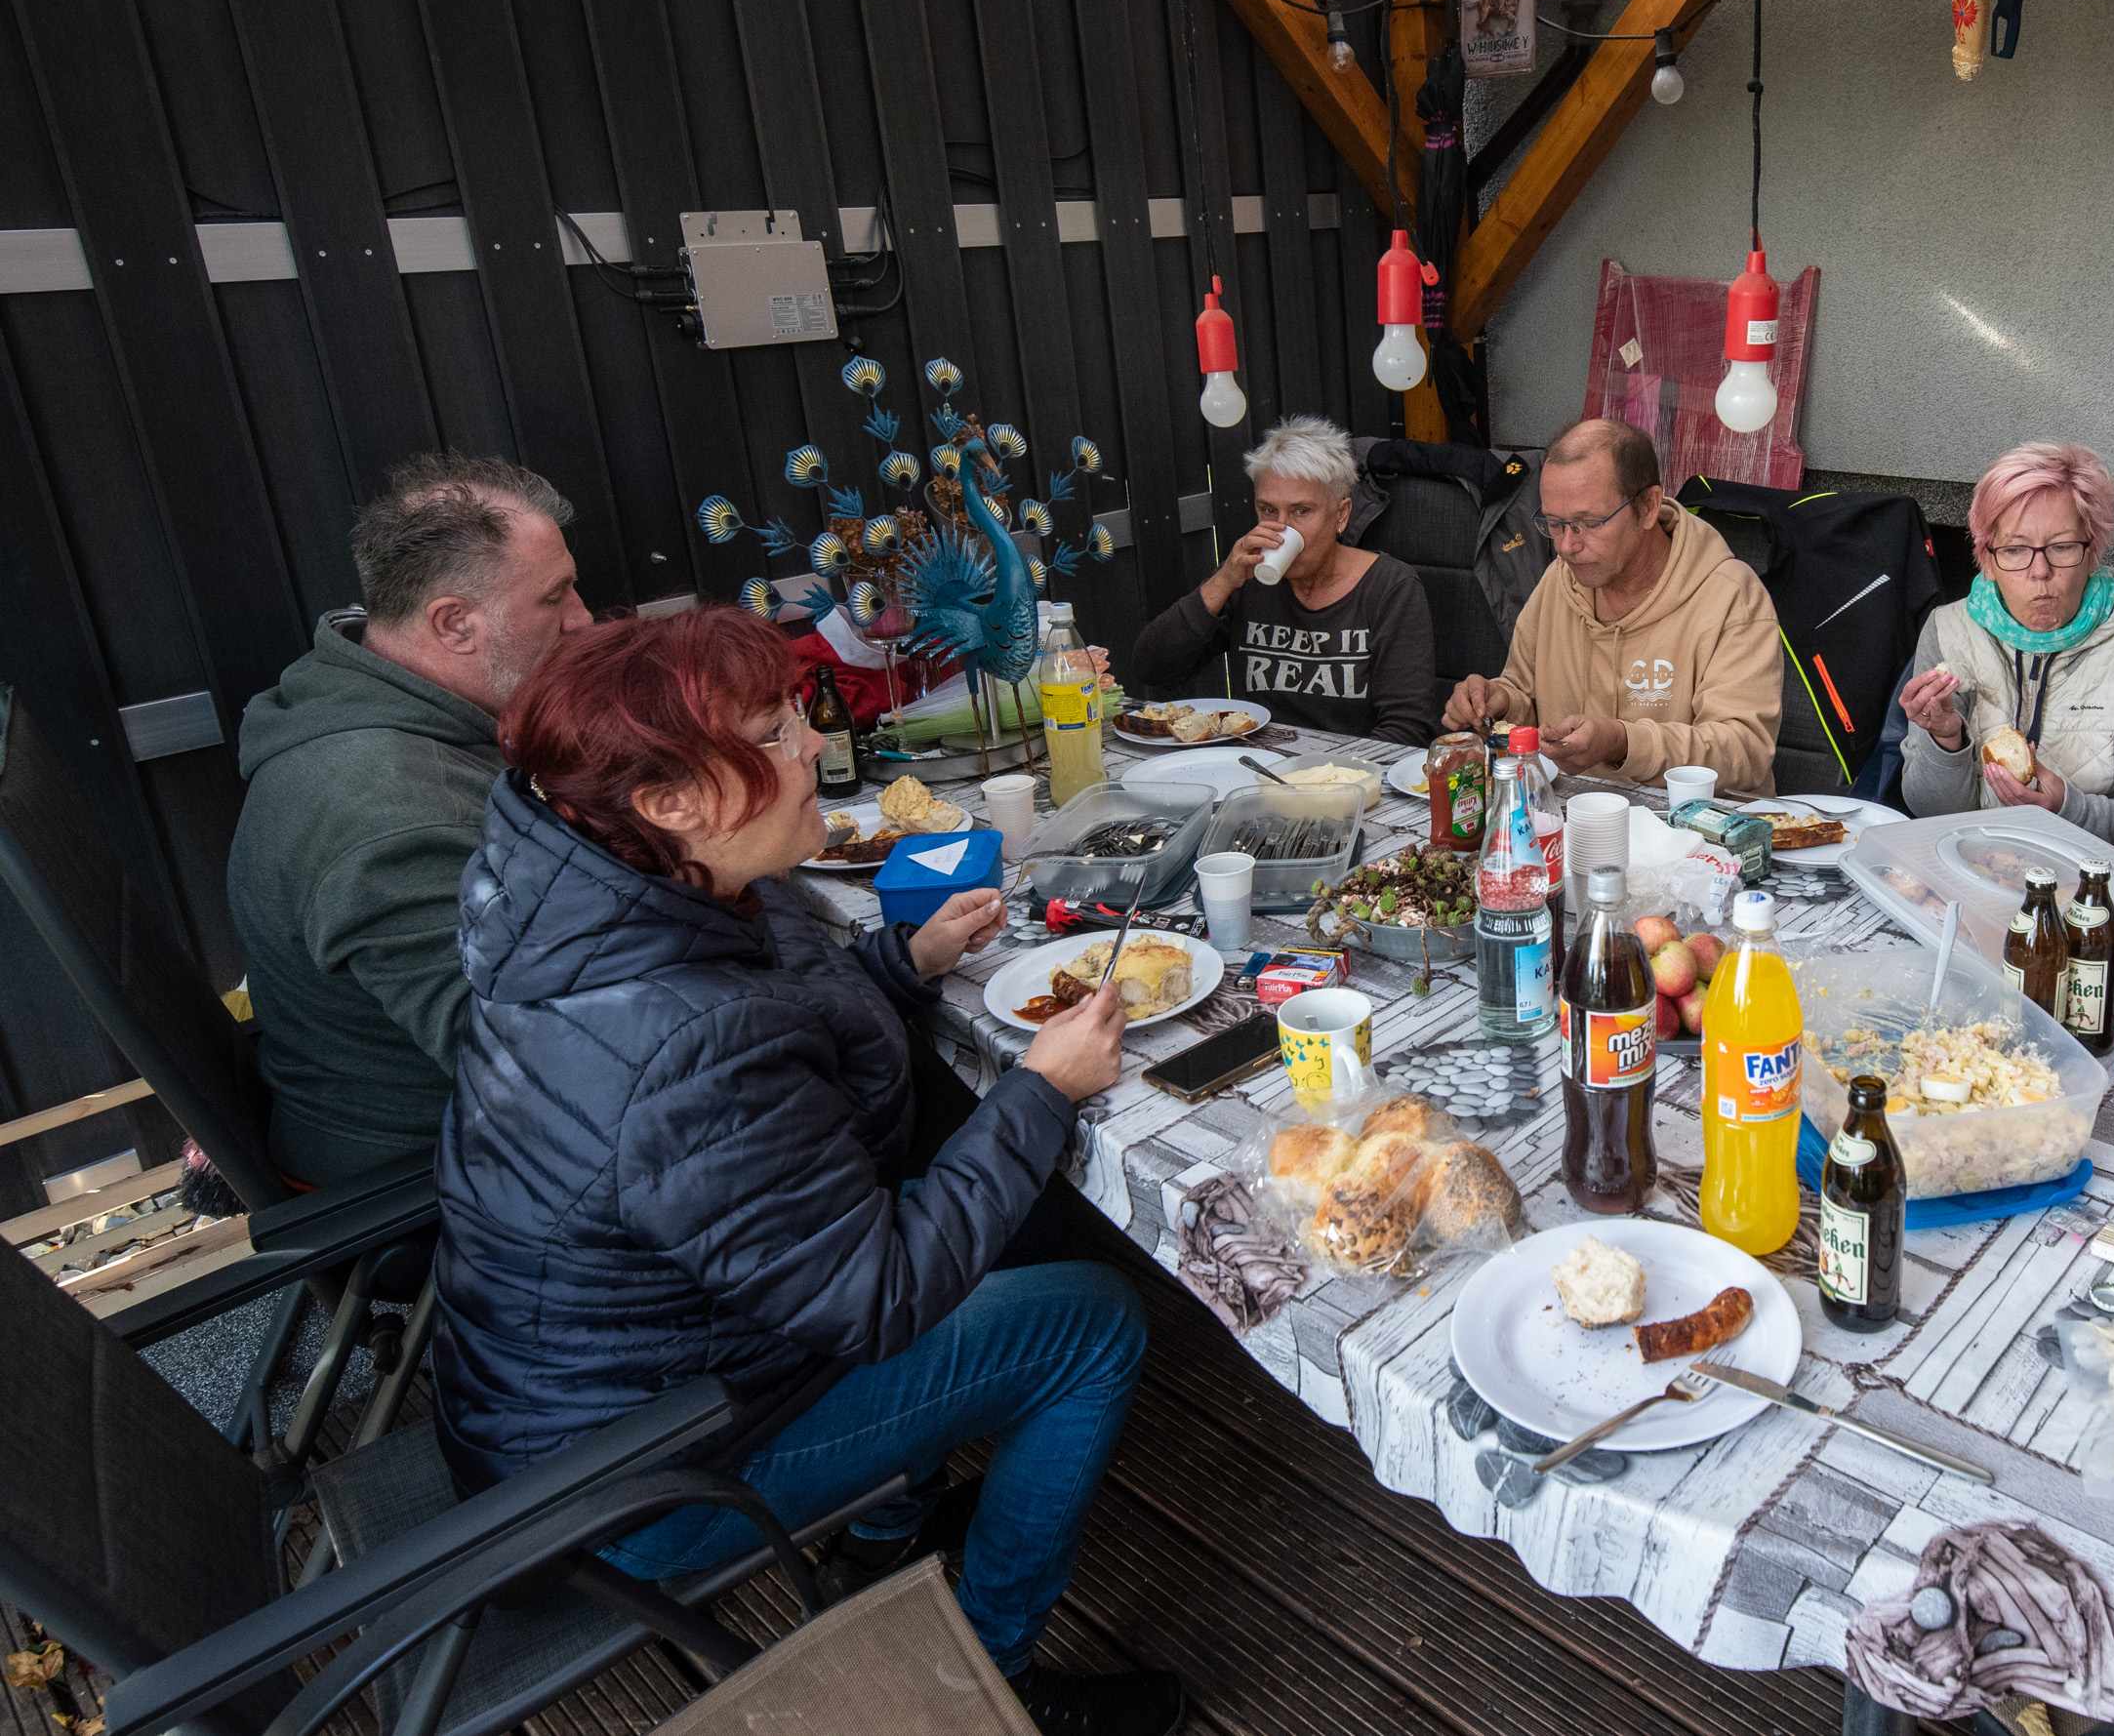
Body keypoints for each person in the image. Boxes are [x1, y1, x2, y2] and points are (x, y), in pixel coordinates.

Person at [431, 608, 1181, 1734]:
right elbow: (871, 1296)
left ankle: (885, 1530)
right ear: (672, 799)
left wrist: (904, 959)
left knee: (1029, 1223)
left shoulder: (603, 895)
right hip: (644, 1476)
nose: (815, 751)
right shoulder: (674, 1038)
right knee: (1092, 1318)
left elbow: (764, 1039)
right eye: (774, 734)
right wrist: (1039, 1088)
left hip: (614, 1377)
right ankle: (991, 1683)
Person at [228, 455, 593, 1187]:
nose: (584, 616)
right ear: (454, 623)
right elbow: (541, 1068)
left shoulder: (382, 698)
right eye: (555, 597)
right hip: (440, 1174)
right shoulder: (387, 813)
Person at [1443, 419, 1782, 795]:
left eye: (1589, 523)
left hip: (1697, 834)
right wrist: (1499, 701)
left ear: (1649, 507)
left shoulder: (1730, 595)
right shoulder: (1560, 579)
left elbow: (1746, 753)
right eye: (1554, 524)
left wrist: (1624, 743)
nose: (1566, 547)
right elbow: (1524, 692)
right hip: (1570, 820)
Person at [1894, 442, 2114, 847]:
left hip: (2086, 882)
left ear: (2093, 553)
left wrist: (2067, 809)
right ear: (1987, 560)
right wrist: (1945, 740)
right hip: (1964, 862)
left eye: (2062, 547)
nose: (2040, 571)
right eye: (2016, 550)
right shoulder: (1950, 631)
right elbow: (1929, 810)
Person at [1133, 416, 1437, 745]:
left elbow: (1407, 729)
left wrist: (1322, 779)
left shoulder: (1390, 588)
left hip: (1345, 778)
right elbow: (1154, 670)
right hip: (1254, 765)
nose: (1281, 529)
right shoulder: (1246, 578)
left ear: (1341, 514)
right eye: (1267, 510)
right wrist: (1222, 582)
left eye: (1301, 511)